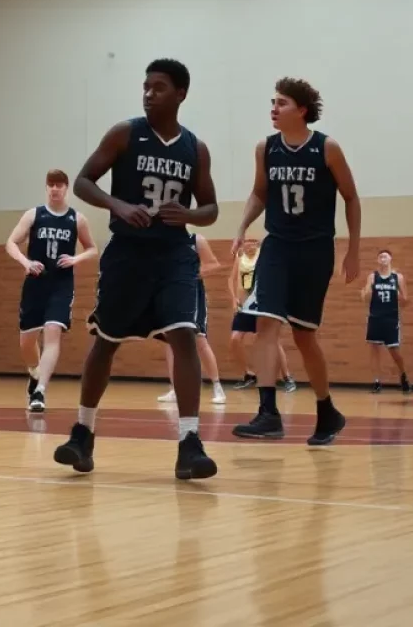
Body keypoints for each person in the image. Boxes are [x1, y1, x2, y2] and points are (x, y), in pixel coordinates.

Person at [53, 59, 219, 481]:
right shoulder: (125, 133)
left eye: (158, 87)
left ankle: (189, 443)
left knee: (184, 335)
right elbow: (84, 180)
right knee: (106, 342)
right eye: (145, 87)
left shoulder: (194, 148)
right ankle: (82, 434)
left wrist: (190, 215)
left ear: (181, 93)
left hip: (175, 257)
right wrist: (117, 205)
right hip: (128, 255)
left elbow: (211, 208)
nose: (148, 94)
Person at [232, 77, 360, 446]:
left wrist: (353, 249)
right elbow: (260, 192)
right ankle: (268, 413)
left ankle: (327, 411)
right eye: (273, 102)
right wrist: (242, 225)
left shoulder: (327, 148)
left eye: (282, 103)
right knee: (266, 324)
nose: (274, 108)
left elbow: (350, 197)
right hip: (277, 248)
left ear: (301, 110)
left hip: (315, 251)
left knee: (305, 337)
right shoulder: (266, 148)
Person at [5, 169, 97, 412]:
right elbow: (11, 242)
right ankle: (35, 373)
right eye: (51, 185)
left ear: (66, 188)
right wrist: (26, 263)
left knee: (53, 331)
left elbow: (92, 249)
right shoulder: (34, 215)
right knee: (27, 341)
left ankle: (40, 392)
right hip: (36, 283)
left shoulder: (77, 219)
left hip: (61, 284)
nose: (55, 189)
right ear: (46, 188)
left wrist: (76, 259)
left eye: (59, 185)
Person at [156, 233, 226, 405]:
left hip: (192, 294)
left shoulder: (196, 240)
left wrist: (189, 273)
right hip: (169, 295)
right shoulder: (161, 241)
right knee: (169, 341)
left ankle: (217, 387)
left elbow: (213, 264)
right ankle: (175, 388)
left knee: (199, 340)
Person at [227, 239, 297, 392]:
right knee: (235, 339)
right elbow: (231, 280)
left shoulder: (264, 257)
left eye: (253, 242)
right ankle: (248, 374)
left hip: (263, 304)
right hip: (245, 306)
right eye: (247, 242)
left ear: (258, 245)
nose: (249, 245)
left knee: (272, 340)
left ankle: (287, 377)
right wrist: (234, 299)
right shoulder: (239, 259)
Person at [362, 249, 411, 393]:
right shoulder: (372, 277)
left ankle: (403, 375)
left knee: (394, 351)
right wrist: (368, 291)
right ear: (378, 260)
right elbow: (365, 298)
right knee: (375, 350)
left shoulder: (398, 277)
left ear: (391, 259)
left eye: (385, 256)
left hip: (391, 318)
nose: (383, 258)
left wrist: (398, 295)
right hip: (375, 317)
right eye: (380, 256)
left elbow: (405, 301)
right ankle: (377, 381)